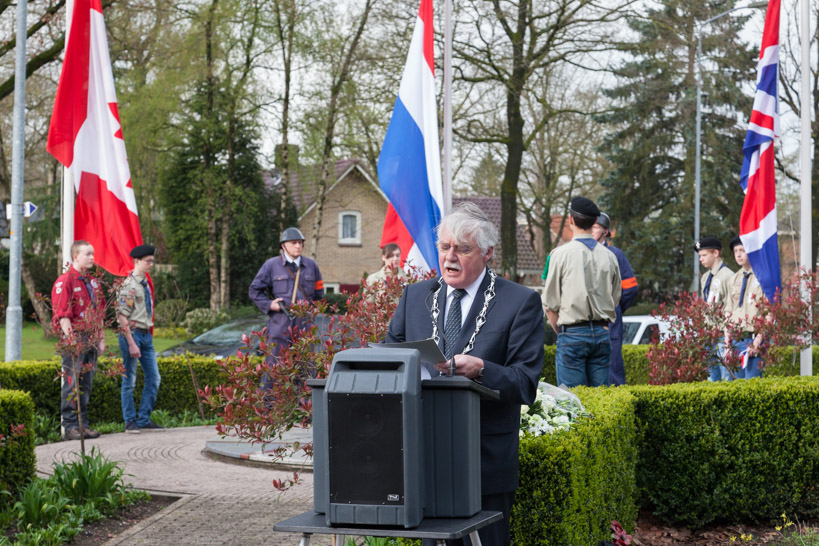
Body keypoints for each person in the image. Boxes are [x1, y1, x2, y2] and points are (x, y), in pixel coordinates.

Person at [386, 202, 545, 546]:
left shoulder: (520, 302)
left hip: (483, 467)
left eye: (463, 248)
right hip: (423, 461)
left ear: (488, 252)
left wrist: (482, 369)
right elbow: (390, 361)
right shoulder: (415, 297)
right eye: (444, 247)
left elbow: (525, 384)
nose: (450, 257)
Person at [542, 196, 621, 388]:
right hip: (602, 333)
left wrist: (562, 331)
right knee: (601, 398)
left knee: (570, 402)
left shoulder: (559, 255)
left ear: (570, 220)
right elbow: (616, 298)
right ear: (595, 222)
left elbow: (550, 304)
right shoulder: (610, 257)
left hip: (572, 332)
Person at [249, 227, 324, 387]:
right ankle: (269, 409)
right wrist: (270, 305)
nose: (298, 246)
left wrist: (311, 309)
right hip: (280, 325)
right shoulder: (271, 265)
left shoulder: (311, 266)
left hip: (304, 326)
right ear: (283, 245)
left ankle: (305, 410)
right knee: (273, 372)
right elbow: (254, 290)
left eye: (300, 243)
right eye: (294, 243)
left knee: (306, 371)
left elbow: (319, 294)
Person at [51, 241, 105, 441]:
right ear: (75, 256)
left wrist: (100, 338)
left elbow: (99, 312)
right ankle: (71, 425)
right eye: (87, 254)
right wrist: (72, 340)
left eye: (92, 253)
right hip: (75, 337)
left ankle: (84, 424)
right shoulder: (65, 281)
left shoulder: (92, 282)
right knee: (73, 382)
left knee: (86, 383)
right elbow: (62, 314)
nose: (92, 257)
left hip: (91, 338)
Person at [117, 245, 163, 433]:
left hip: (146, 335)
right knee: (130, 379)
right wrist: (131, 342)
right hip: (133, 334)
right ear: (136, 261)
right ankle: (130, 421)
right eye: (147, 261)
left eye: (152, 261)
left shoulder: (145, 283)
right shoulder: (129, 286)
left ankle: (143, 419)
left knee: (154, 378)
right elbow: (121, 316)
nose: (151, 264)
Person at [591, 212, 638, 386]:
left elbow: (631, 288)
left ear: (605, 231)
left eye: (596, 227)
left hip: (610, 318)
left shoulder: (616, 255)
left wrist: (615, 307)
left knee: (613, 366)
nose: (592, 230)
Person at [724, 237, 766, 379]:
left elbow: (769, 313)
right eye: (736, 251)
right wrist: (727, 343)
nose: (738, 254)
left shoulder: (763, 278)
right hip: (736, 340)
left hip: (754, 339)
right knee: (735, 390)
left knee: (752, 388)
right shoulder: (733, 279)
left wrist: (758, 341)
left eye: (742, 250)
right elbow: (728, 313)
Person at [695, 236, 735, 381]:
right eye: (700, 256)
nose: (701, 259)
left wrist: (727, 337)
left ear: (716, 253)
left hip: (721, 333)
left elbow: (729, 306)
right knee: (712, 377)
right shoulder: (705, 277)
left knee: (726, 376)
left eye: (704, 255)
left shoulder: (728, 276)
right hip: (708, 334)